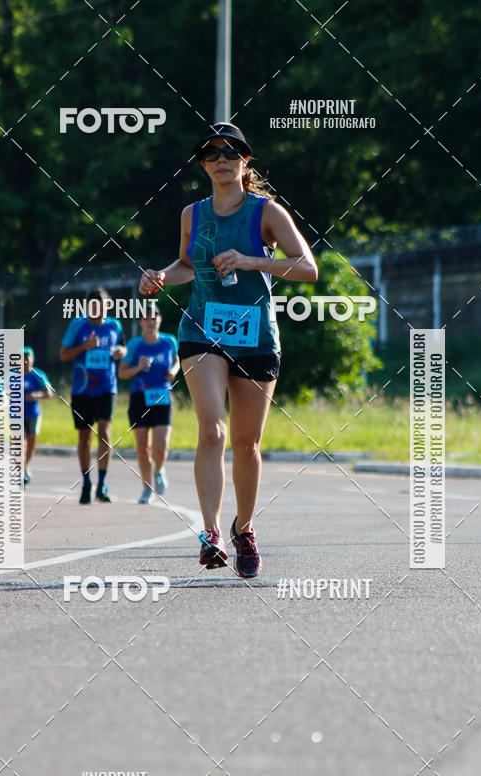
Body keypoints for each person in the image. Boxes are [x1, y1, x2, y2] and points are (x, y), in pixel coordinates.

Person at [139, 122, 317, 577]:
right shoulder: (191, 215)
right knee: (212, 431)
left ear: (245, 161)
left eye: (231, 152)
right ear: (202, 163)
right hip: (202, 333)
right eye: (212, 152)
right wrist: (160, 275)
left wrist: (252, 260)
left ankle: (244, 527)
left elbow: (307, 269)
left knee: (245, 444)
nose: (222, 159)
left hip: (255, 335)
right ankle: (212, 531)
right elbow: (185, 265)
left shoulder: (266, 212)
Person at [60, 287, 126, 503]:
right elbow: (63, 354)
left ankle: (102, 483)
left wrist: (121, 352)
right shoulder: (78, 325)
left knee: (105, 432)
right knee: (84, 437)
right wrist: (84, 346)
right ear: (87, 307)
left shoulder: (115, 325)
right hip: (82, 389)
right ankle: (86, 482)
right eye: (92, 306)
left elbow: (122, 347)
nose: (97, 310)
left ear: (108, 306)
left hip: (107, 387)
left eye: (101, 305)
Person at [118, 309, 179, 504]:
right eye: (147, 318)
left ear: (160, 320)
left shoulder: (169, 341)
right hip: (139, 397)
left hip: (162, 396)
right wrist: (138, 367)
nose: (151, 321)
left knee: (160, 446)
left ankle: (159, 469)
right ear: (141, 322)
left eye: (154, 317)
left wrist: (174, 372)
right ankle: (146, 488)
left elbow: (177, 360)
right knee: (143, 448)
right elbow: (122, 373)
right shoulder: (135, 344)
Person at [22, 346, 52, 485]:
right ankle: (20, 470)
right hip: (16, 415)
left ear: (32, 359)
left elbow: (49, 393)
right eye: (22, 358)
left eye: (27, 358)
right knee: (20, 443)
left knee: (31, 444)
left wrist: (36, 395)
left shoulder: (38, 375)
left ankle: (25, 465)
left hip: (33, 414)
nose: (25, 361)